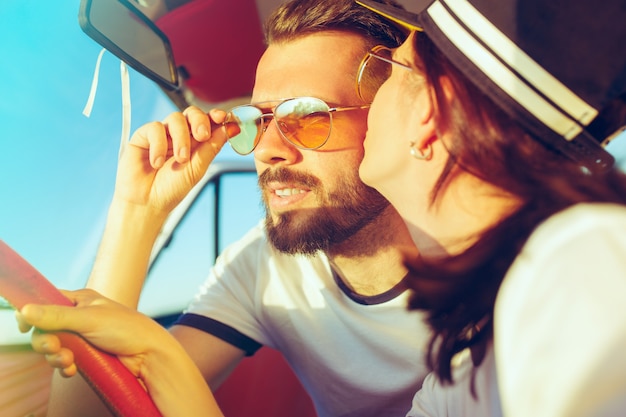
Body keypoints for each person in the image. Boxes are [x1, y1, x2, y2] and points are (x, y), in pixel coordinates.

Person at [19, 1, 435, 417]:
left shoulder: (484, 273)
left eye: (308, 116)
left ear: (392, 123)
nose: (268, 150)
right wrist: (137, 211)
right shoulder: (263, 266)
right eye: (256, 120)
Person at [350, 0, 626, 416]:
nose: (371, 97)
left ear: (428, 111)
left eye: (388, 66)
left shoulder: (582, 263)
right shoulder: (470, 358)